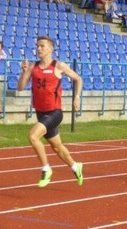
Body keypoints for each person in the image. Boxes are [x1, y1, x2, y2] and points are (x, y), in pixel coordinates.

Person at [17, 36, 84, 188]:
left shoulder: (58, 66)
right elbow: (20, 87)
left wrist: (77, 97)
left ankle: (46, 169)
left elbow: (78, 79)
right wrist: (24, 72)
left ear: (50, 49)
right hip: (41, 112)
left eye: (42, 46)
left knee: (33, 137)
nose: (39, 49)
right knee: (57, 147)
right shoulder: (33, 67)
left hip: (54, 112)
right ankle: (75, 166)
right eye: (37, 46)